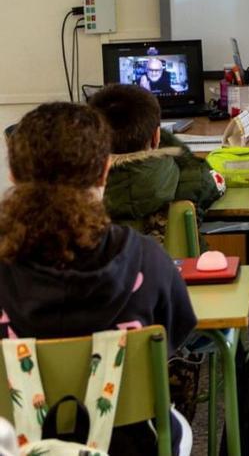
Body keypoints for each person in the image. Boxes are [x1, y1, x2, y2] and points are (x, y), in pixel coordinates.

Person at [0, 102, 195, 454]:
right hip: (130, 444)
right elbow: (176, 335)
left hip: (14, 445)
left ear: (13, 174)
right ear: (105, 170)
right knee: (176, 425)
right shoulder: (146, 258)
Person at [89, 84, 225, 238]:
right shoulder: (192, 182)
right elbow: (205, 176)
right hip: (174, 262)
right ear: (156, 137)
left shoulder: (72, 198)